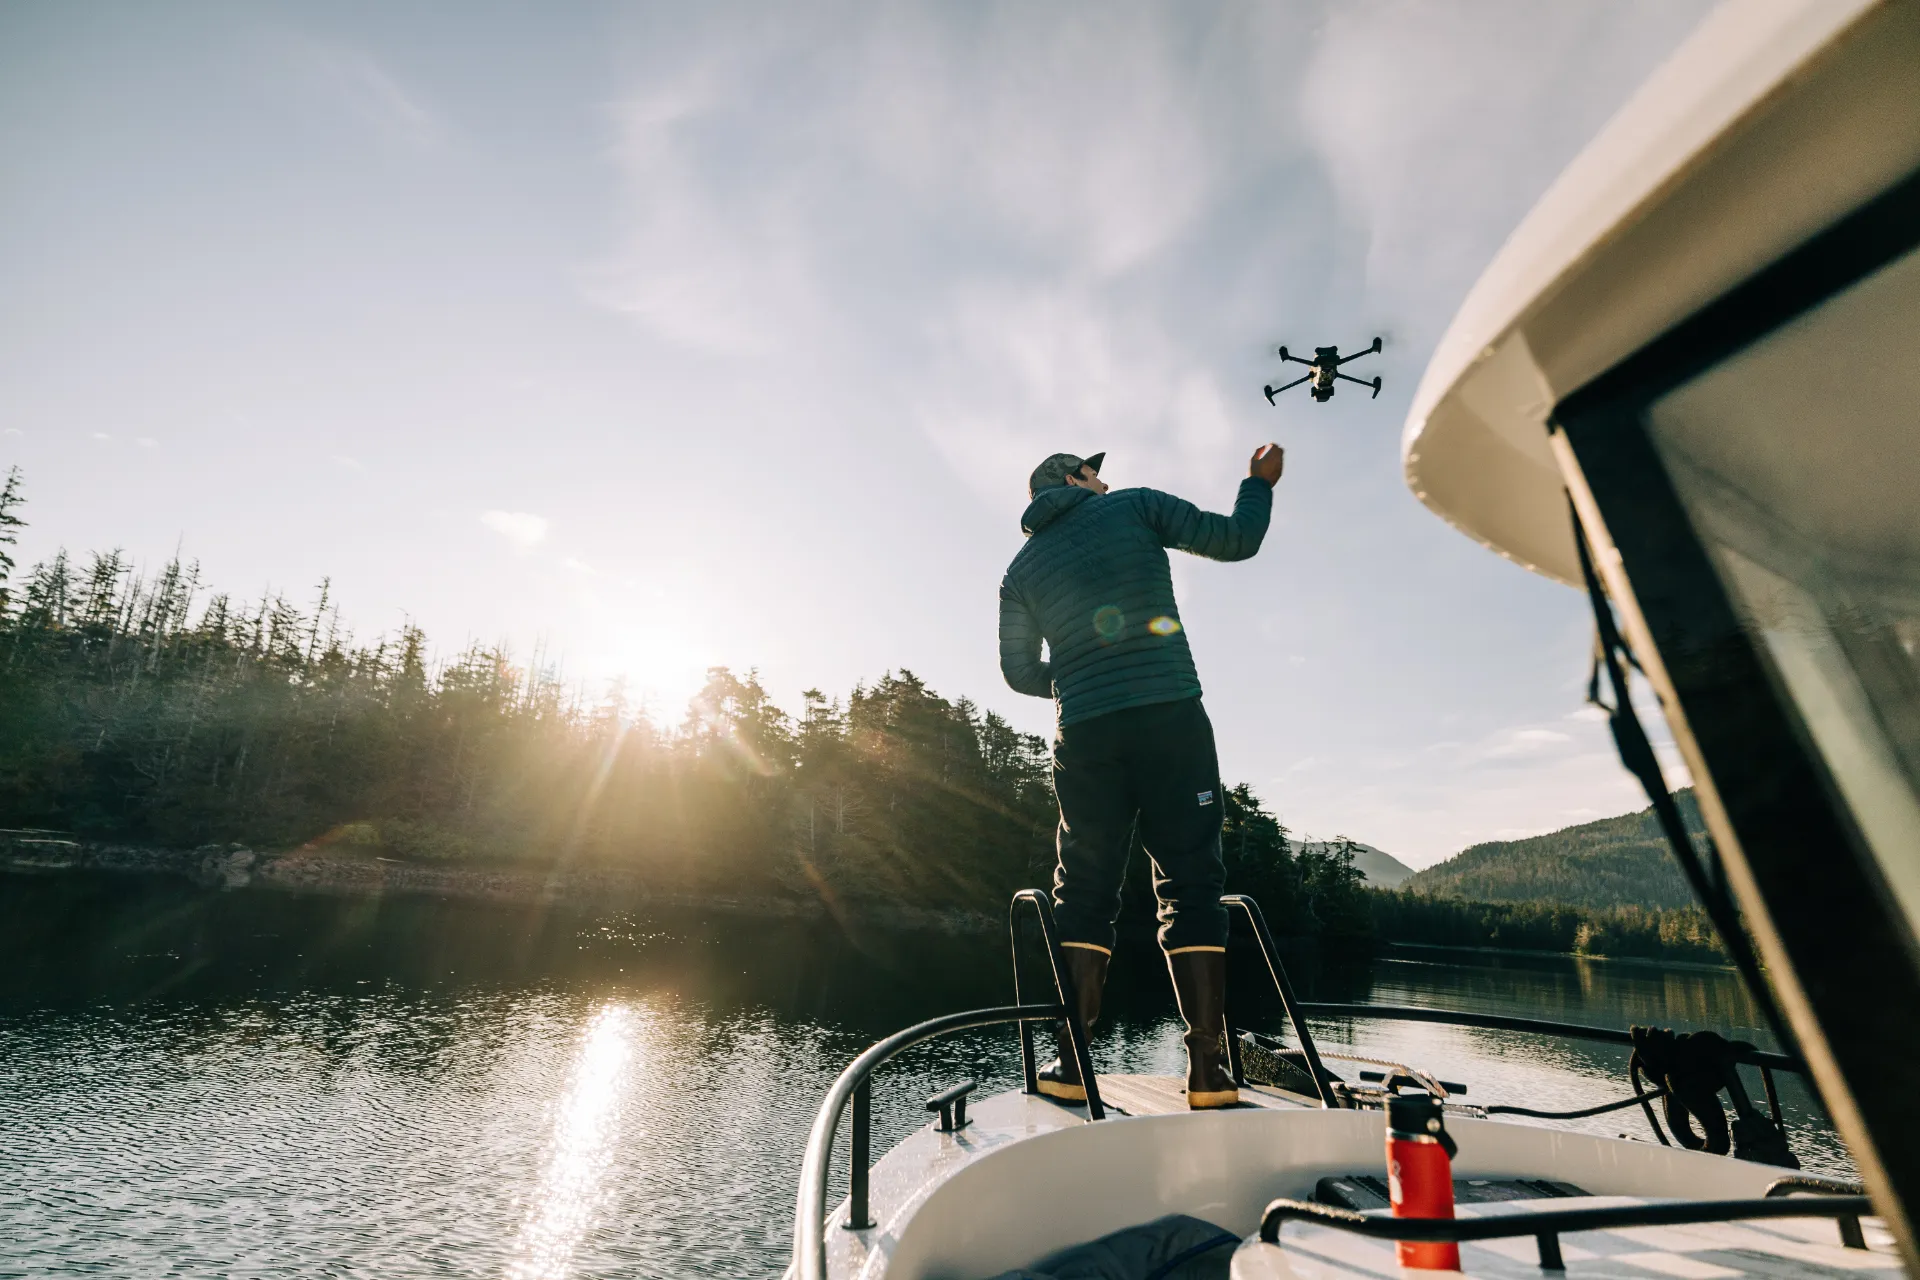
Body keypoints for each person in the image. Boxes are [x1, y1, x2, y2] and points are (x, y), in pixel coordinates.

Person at [999, 444, 1283, 1108]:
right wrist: (1257, 482)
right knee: (1190, 881)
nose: (1106, 479)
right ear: (1075, 480)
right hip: (1169, 717)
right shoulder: (1135, 507)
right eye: (1094, 470)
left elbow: (1016, 673)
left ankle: (1071, 1064)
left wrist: (1075, 681)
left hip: (1086, 733)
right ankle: (1208, 1074)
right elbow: (1238, 540)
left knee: (1085, 889)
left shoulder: (1019, 571)